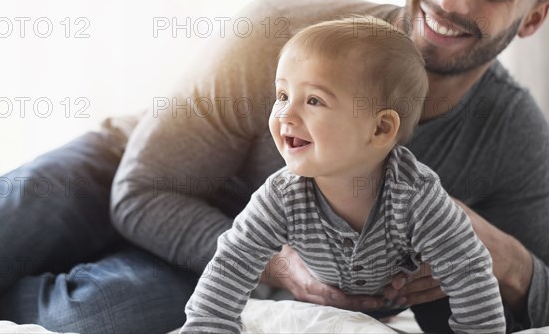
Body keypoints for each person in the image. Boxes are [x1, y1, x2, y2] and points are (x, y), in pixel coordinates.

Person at [0, 0, 549, 333]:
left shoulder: (512, 136)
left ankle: (4, 298)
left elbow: (540, 291)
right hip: (136, 171)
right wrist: (284, 265)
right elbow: (141, 190)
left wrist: (514, 265)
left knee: (105, 316)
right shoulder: (282, 32)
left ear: (532, 18)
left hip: (216, 260)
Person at [181, 17, 506, 333]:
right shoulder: (282, 195)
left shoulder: (415, 195)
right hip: (323, 297)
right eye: (282, 96)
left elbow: (468, 269)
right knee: (283, 314)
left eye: (313, 100)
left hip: (405, 295)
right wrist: (206, 325)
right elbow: (234, 260)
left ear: (380, 128)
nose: (286, 115)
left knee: (446, 303)